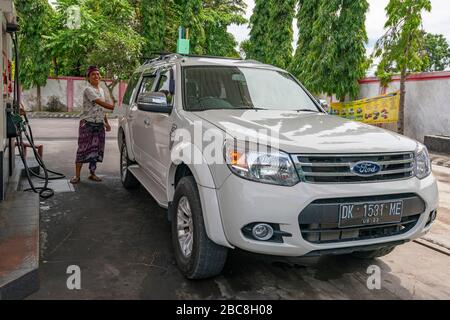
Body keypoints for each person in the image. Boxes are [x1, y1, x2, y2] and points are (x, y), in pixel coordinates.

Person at [70, 66, 114, 184]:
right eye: (93, 74)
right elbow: (101, 103)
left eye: (98, 74)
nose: (96, 76)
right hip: (87, 123)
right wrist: (118, 109)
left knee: (96, 150)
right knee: (82, 149)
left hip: (99, 124)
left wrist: (106, 123)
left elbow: (101, 108)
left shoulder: (102, 90)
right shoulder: (88, 90)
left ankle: (92, 173)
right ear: (88, 77)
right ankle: (77, 176)